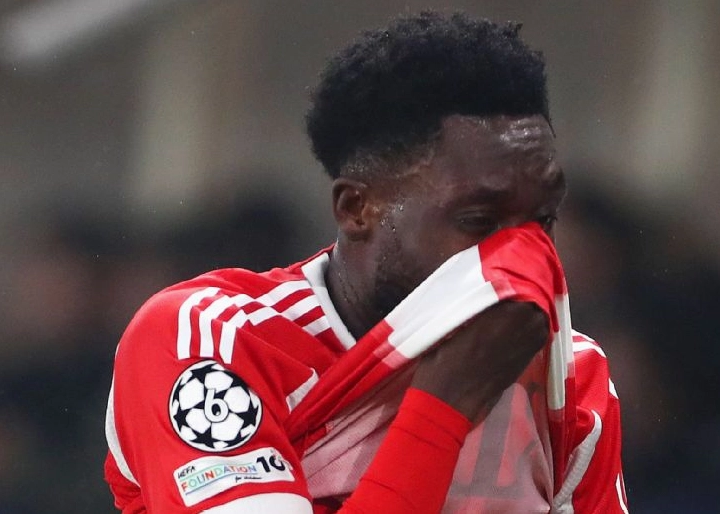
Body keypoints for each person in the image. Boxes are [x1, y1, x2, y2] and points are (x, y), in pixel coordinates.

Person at [103, 12, 626, 514]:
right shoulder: (213, 341)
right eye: (479, 221)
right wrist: (446, 403)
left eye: (543, 219)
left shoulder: (573, 376)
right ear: (357, 209)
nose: (526, 260)